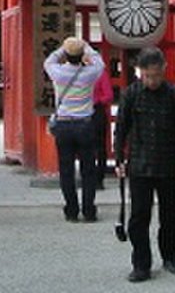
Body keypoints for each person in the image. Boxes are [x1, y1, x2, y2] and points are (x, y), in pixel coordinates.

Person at [114, 46, 175, 283]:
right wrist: (119, 159)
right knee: (139, 215)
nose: (152, 80)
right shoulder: (131, 94)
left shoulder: (174, 94)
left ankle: (170, 257)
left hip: (168, 161)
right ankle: (141, 264)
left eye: (156, 75)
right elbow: (121, 129)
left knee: (170, 214)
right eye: (148, 75)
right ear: (140, 72)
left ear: (164, 70)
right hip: (139, 162)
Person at [43, 35, 105, 223]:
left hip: (63, 124)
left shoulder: (58, 73)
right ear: (81, 55)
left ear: (66, 55)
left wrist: (64, 47)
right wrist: (85, 46)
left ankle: (71, 209)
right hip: (85, 123)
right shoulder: (89, 73)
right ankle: (89, 209)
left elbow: (49, 61)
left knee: (66, 169)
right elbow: (99, 62)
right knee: (88, 169)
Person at [93, 63, 114, 190]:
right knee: (99, 147)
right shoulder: (101, 73)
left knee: (95, 147)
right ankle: (98, 179)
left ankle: (95, 177)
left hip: (91, 110)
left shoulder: (98, 74)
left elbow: (108, 95)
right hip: (96, 110)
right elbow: (108, 95)